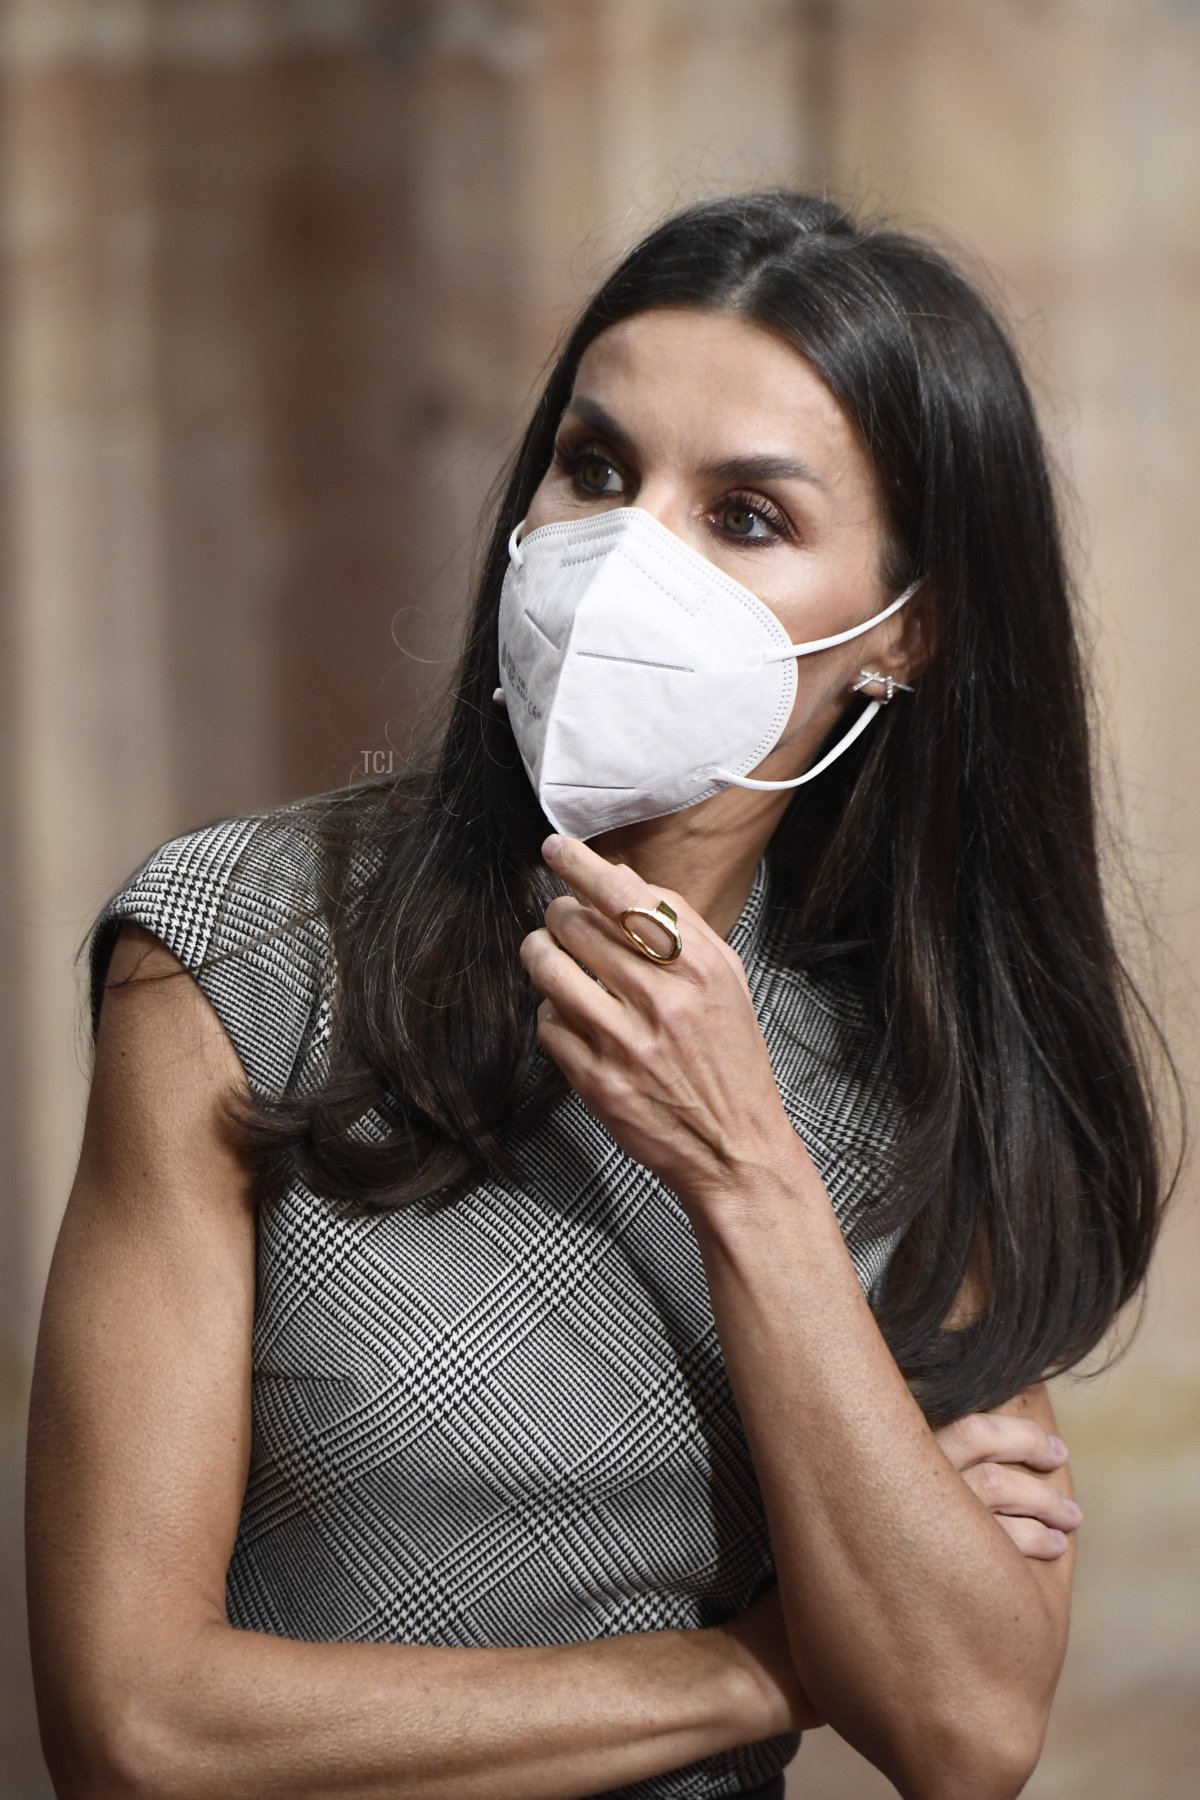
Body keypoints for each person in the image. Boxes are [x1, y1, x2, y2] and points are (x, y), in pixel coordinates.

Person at [26, 191, 1176, 1800]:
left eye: (747, 518)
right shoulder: (239, 952)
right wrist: (774, 1663)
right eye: (599, 468)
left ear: (906, 630)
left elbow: (969, 1730)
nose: (627, 560)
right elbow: (135, 1730)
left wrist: (746, 1170)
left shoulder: (915, 1058)